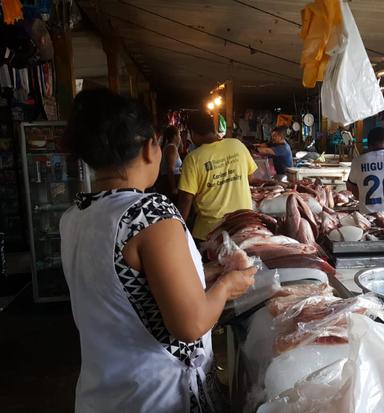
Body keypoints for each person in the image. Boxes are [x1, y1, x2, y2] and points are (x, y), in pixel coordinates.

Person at [59, 88, 256, 413]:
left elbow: (128, 287)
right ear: (152, 147)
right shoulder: (149, 215)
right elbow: (190, 324)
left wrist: (207, 274)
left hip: (104, 392)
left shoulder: (75, 216)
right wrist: (225, 287)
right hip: (159, 396)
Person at [176, 111, 257, 241]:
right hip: (243, 226)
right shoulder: (237, 145)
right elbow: (251, 178)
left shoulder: (192, 159)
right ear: (213, 128)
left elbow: (186, 198)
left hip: (210, 234)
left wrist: (178, 229)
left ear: (192, 133)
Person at [156, 125, 182, 200]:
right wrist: (173, 188)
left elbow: (182, 149)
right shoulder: (171, 148)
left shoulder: (172, 147)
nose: (180, 137)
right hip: (170, 183)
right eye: (179, 134)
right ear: (175, 136)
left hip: (170, 181)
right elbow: (170, 169)